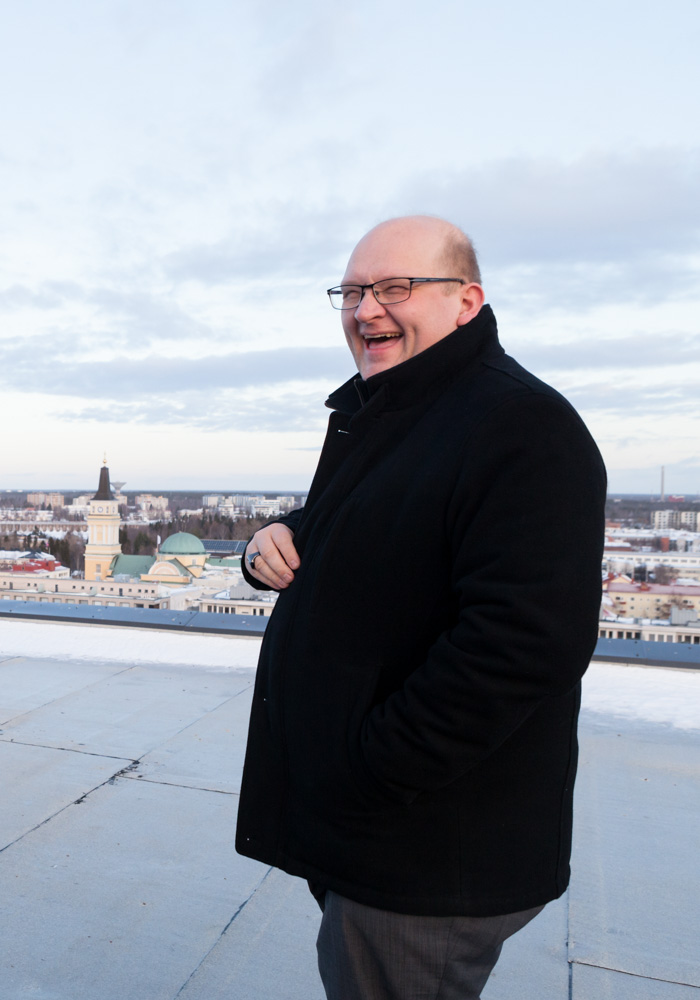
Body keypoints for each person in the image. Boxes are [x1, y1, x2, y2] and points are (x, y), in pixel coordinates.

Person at [235, 216, 606, 999]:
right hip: (375, 831)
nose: (366, 309)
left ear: (466, 301)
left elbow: (522, 643)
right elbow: (390, 526)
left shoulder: (521, 427)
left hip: (426, 849)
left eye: (395, 288)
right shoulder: (399, 414)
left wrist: (370, 770)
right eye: (353, 291)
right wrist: (274, 540)